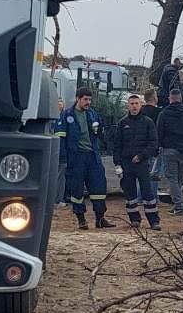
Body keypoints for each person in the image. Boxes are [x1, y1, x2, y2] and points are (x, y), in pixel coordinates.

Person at [59, 89, 112, 229]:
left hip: (93, 156)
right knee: (76, 189)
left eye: (89, 99)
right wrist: (64, 159)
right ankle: (81, 219)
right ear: (78, 99)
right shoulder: (67, 115)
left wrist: (101, 131)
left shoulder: (93, 114)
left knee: (99, 187)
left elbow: (101, 133)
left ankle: (100, 219)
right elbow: (61, 138)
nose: (88, 102)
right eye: (85, 99)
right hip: (76, 158)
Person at [113, 91, 162, 229]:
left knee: (147, 193)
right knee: (130, 194)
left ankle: (154, 221)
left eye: (136, 104)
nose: (134, 106)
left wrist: (141, 156)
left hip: (142, 163)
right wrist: (117, 164)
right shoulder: (123, 123)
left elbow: (153, 143)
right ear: (128, 106)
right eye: (132, 104)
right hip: (126, 164)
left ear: (141, 105)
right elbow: (117, 145)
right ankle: (134, 219)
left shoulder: (148, 122)